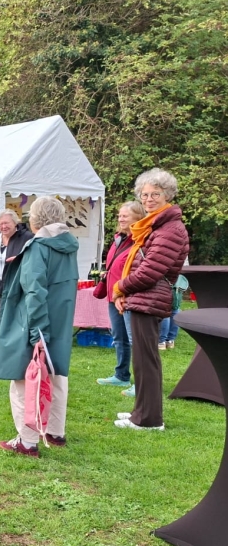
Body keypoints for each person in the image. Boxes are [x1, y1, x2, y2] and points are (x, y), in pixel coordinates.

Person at [0, 197, 79, 457]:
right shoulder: (67, 245)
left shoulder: (39, 247)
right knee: (56, 374)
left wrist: (36, 331)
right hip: (60, 319)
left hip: (34, 320)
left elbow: (34, 291)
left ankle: (27, 440)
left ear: (36, 218)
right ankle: (55, 430)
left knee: (23, 378)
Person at [112, 168, 190, 431]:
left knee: (147, 360)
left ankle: (149, 420)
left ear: (167, 194)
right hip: (143, 296)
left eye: (155, 194)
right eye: (144, 194)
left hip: (150, 297)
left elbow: (150, 271)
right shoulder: (155, 224)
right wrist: (125, 291)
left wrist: (121, 288)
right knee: (142, 359)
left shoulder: (170, 228)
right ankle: (140, 413)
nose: (148, 199)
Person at [96, 201, 145, 394]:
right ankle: (122, 376)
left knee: (135, 339)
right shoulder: (119, 239)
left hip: (130, 296)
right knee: (119, 337)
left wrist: (124, 291)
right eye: (120, 215)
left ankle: (141, 383)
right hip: (113, 295)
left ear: (138, 218)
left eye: (125, 215)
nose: (121, 218)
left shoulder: (141, 240)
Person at [0, 210, 33, 359]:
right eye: (1, 224)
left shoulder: (27, 238)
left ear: (16, 223)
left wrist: (20, 259)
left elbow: (32, 259)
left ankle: (17, 349)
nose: (3, 226)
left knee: (17, 318)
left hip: (17, 286)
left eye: (6, 223)